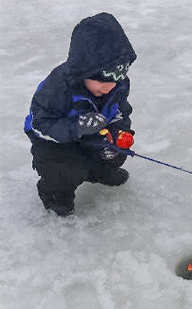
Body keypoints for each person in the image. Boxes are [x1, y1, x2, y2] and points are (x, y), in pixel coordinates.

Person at [24, 13, 137, 217]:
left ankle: (100, 172)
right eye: (103, 79)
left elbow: (121, 112)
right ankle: (56, 194)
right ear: (85, 71)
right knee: (66, 168)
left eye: (119, 77)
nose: (110, 86)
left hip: (92, 134)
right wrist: (77, 127)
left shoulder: (116, 86)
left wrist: (119, 133)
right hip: (53, 142)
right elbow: (40, 124)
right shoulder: (58, 87)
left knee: (116, 150)